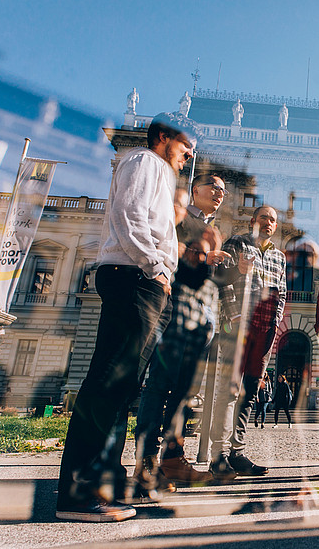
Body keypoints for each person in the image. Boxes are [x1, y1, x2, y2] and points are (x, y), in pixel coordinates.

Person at [56, 112, 199, 522]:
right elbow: (129, 215)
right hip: (133, 276)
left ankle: (97, 487)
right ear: (162, 137)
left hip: (143, 279)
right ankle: (78, 494)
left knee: (120, 389)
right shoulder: (143, 161)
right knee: (108, 385)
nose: (190, 154)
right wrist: (155, 265)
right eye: (185, 144)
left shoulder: (157, 171)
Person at [132, 174, 229, 492]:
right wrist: (203, 255)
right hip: (174, 312)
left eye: (223, 191)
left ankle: (173, 459)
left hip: (202, 318)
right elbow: (163, 248)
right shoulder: (178, 215)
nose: (219, 193)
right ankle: (146, 463)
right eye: (213, 187)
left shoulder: (214, 229)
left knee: (185, 392)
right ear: (195, 190)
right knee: (159, 385)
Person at [208, 205, 287, 479]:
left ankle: (237, 452)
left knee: (250, 389)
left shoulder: (278, 256)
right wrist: (232, 313)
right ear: (253, 221)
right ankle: (218, 456)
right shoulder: (238, 243)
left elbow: (283, 290)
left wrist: (276, 321)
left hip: (265, 328)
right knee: (229, 388)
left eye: (273, 220)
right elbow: (223, 280)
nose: (268, 223)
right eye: (263, 217)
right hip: (239, 324)